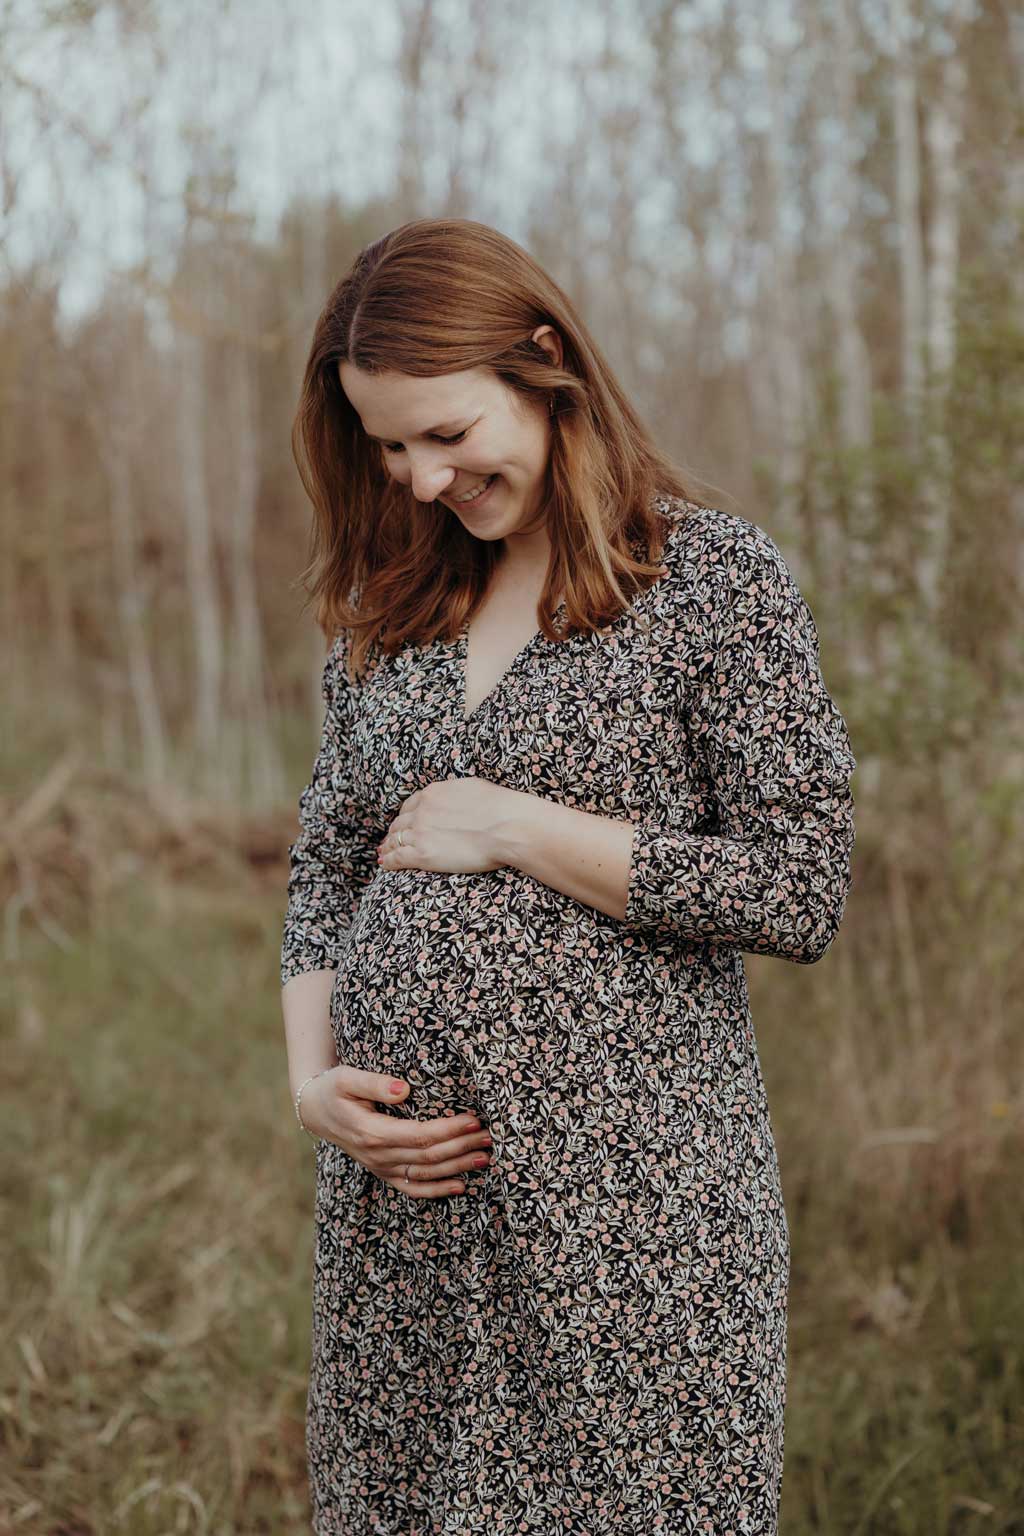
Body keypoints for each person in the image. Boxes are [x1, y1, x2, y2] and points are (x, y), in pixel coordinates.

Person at [280, 216, 857, 1536]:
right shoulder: (391, 605)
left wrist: (520, 827)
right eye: (386, 445)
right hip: (404, 1224)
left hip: (631, 1218)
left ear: (545, 365)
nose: (418, 479)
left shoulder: (706, 578)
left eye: (445, 433)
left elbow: (799, 884)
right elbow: (323, 862)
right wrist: (315, 1085)